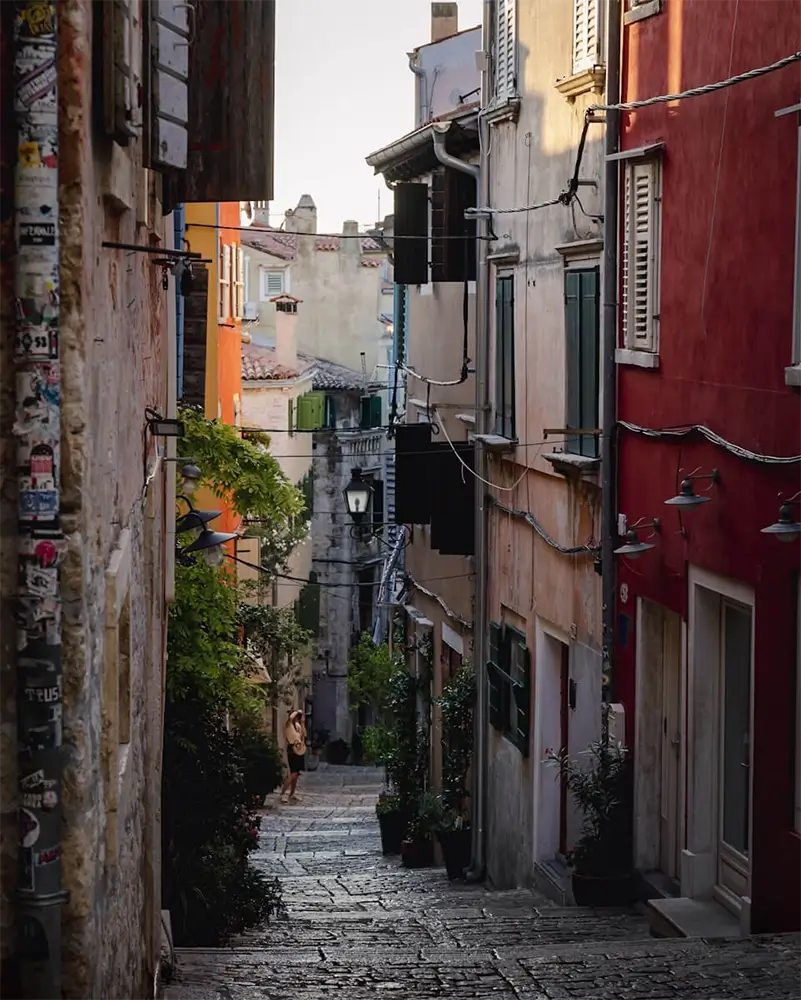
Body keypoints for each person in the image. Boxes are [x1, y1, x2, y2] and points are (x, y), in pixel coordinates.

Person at [280, 710, 307, 804]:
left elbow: (304, 735)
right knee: (292, 774)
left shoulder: (298, 726)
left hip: (299, 749)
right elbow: (291, 718)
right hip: (292, 749)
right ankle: (283, 793)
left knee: (296, 774)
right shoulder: (289, 725)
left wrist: (302, 722)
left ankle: (292, 793)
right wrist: (297, 711)